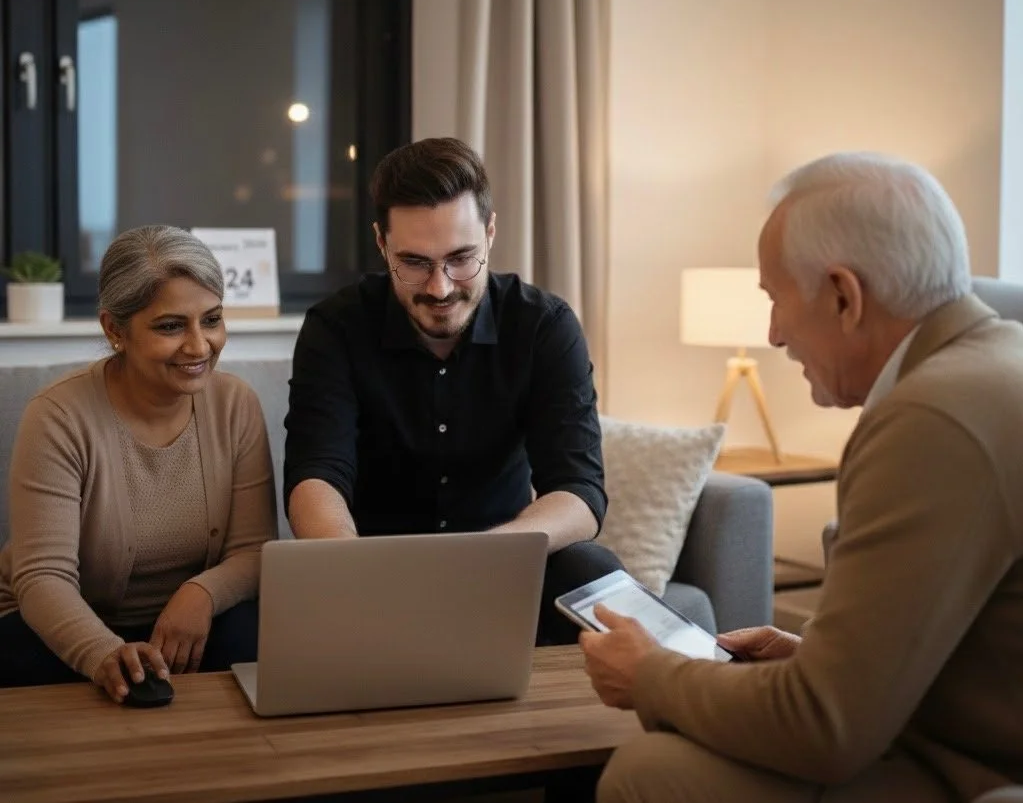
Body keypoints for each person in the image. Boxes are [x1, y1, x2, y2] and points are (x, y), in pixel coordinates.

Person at [580, 152, 1023, 802]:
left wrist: (651, 675)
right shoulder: (996, 358)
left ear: (844, 296)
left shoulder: (932, 417)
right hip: (965, 744)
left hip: (978, 772)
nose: (774, 333)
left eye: (774, 298)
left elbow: (824, 729)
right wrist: (812, 654)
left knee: (649, 771)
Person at [284, 136, 622, 644]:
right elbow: (316, 474)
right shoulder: (335, 327)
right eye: (414, 262)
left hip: (503, 567)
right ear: (381, 244)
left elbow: (579, 489)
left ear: (490, 232)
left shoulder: (543, 326)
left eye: (461, 259)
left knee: (591, 570)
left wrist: (487, 554)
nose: (439, 287)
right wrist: (350, 568)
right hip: (374, 572)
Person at [0, 225, 277, 702]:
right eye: (170, 326)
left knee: (256, 639)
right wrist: (104, 652)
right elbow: (43, 577)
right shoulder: (58, 417)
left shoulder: (236, 404)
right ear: (114, 330)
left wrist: (201, 594)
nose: (199, 346)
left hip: (188, 623)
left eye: (211, 320)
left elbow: (253, 551)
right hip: (63, 621)